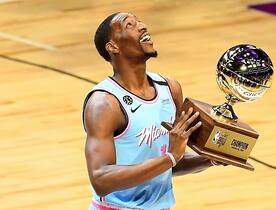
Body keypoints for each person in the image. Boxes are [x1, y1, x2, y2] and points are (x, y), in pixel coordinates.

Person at [83, 12, 222, 210]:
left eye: (139, 21)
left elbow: (166, 166)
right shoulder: (105, 103)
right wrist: (170, 157)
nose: (142, 26)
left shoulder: (170, 88)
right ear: (113, 47)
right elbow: (101, 180)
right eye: (130, 25)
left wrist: (209, 160)